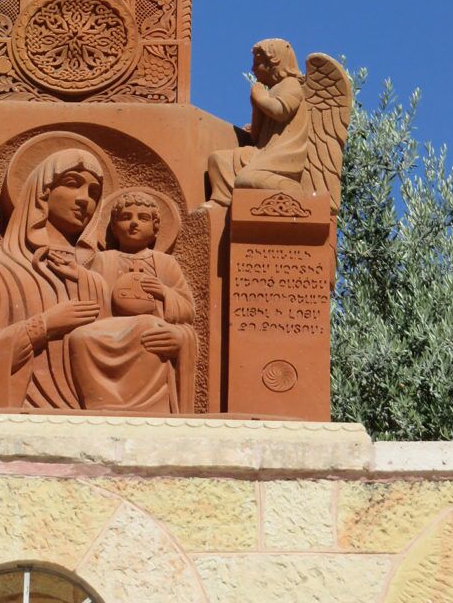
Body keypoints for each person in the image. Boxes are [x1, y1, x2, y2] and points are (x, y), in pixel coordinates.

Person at [0, 149, 109, 409]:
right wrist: (43, 325)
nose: (85, 200)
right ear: (42, 193)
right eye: (72, 184)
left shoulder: (94, 282)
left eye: (94, 193)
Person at [68, 191, 197, 414]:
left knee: (148, 327)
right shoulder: (103, 259)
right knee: (80, 337)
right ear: (115, 227)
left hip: (146, 326)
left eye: (143, 218)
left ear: (156, 227)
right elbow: (91, 295)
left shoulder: (165, 263)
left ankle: (149, 406)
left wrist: (164, 292)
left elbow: (187, 311)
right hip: (109, 327)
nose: (134, 223)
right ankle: (101, 403)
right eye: (126, 217)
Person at [207, 38, 308, 207]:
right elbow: (256, 137)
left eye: (258, 63)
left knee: (246, 179)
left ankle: (290, 188)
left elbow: (280, 111)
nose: (253, 69)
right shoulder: (270, 91)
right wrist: (256, 109)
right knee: (217, 160)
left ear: (275, 63)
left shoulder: (291, 85)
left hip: (282, 156)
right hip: (262, 152)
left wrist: (260, 98)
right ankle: (222, 200)